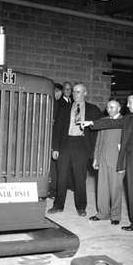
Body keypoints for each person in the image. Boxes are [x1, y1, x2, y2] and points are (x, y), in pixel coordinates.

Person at [80, 93, 133, 240]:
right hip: (129, 161)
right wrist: (91, 123)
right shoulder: (129, 119)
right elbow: (111, 123)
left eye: (130, 102)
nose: (127, 105)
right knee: (132, 193)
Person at [48, 83, 102, 216]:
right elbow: (57, 129)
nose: (75, 94)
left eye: (78, 92)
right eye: (74, 92)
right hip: (65, 144)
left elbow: (100, 129)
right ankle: (58, 205)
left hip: (82, 145)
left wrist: (95, 151)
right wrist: (55, 147)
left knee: (80, 177)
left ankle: (81, 207)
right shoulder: (65, 108)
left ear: (85, 93)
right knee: (62, 177)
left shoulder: (93, 109)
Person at [89, 99, 124, 225]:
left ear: (119, 108)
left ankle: (115, 215)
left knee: (115, 189)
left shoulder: (124, 122)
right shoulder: (103, 121)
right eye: (108, 107)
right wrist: (96, 158)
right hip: (103, 158)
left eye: (113, 107)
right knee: (102, 187)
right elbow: (99, 141)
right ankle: (102, 213)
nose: (109, 109)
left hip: (116, 159)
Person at [48, 83, 64, 199]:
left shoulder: (61, 106)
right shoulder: (48, 103)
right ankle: (49, 189)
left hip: (56, 139)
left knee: (54, 167)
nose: (57, 94)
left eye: (58, 91)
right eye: (55, 91)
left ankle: (54, 190)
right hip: (47, 137)